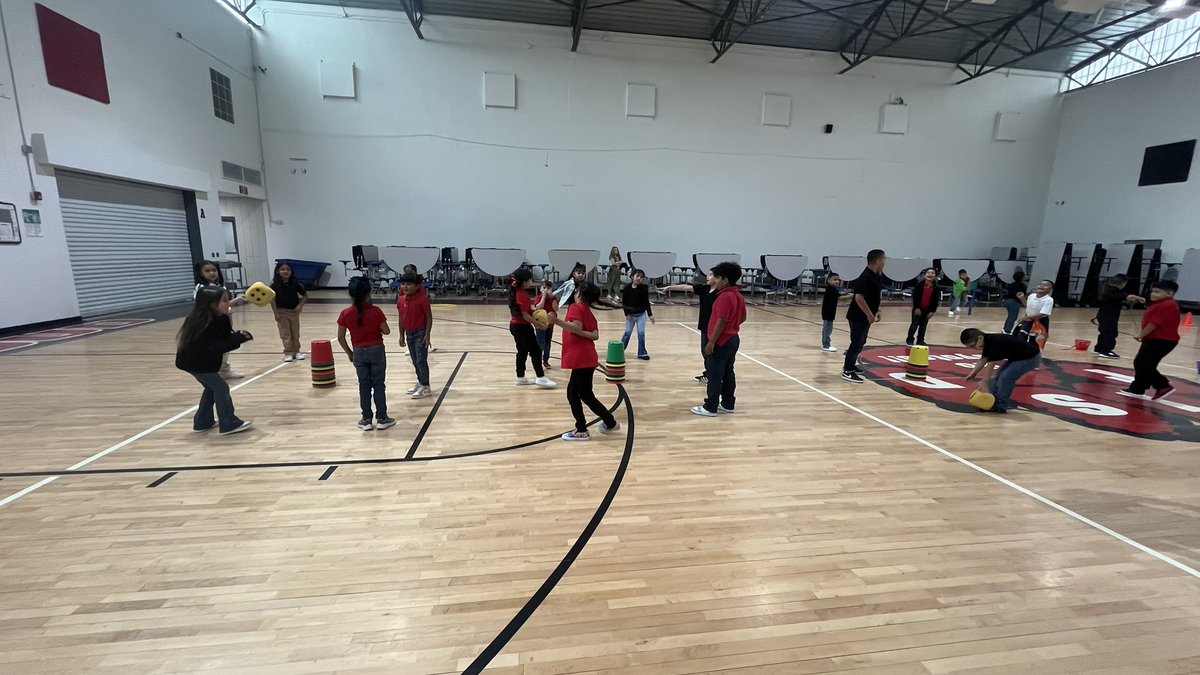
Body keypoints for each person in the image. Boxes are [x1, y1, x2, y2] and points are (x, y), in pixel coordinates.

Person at [174, 286, 254, 435]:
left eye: (228, 299)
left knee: (212, 388)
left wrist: (238, 336)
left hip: (199, 363)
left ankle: (203, 422)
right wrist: (239, 338)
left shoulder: (219, 319)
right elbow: (217, 346)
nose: (228, 303)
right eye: (224, 300)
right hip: (196, 363)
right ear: (210, 304)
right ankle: (228, 423)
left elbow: (224, 339)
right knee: (221, 388)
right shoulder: (203, 323)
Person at [550, 282, 621, 441]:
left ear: (579, 293)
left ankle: (582, 430)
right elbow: (594, 335)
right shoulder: (588, 311)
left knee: (577, 395)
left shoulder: (575, 307)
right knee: (583, 394)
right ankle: (609, 423)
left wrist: (557, 322)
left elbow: (576, 327)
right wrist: (580, 331)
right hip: (587, 358)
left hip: (580, 358)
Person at [337, 277, 396, 431]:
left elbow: (340, 337)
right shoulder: (376, 311)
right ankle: (382, 418)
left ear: (350, 294)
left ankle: (366, 419)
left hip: (358, 352)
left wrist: (349, 353)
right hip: (377, 351)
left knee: (364, 386)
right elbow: (386, 331)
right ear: (369, 294)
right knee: (378, 385)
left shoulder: (345, 313)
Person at [692, 262, 747, 417]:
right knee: (728, 372)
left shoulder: (724, 297)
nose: (715, 280)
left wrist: (711, 342)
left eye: (717, 277)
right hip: (733, 339)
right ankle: (728, 403)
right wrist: (732, 327)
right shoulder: (738, 295)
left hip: (721, 342)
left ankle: (710, 407)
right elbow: (743, 317)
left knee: (714, 374)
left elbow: (721, 321)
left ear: (725, 280)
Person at [1117, 280, 1181, 401]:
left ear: (1170, 293)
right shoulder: (1159, 304)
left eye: (1157, 292)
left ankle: (1163, 385)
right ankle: (1138, 388)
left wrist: (1141, 335)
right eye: (1153, 291)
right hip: (1154, 339)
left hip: (1162, 340)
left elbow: (1155, 323)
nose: (1153, 294)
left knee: (1142, 364)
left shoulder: (1168, 305)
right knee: (1144, 363)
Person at [960, 327, 1042, 414]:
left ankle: (1001, 405)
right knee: (997, 376)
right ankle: (993, 400)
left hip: (1030, 358)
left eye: (973, 345)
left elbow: (991, 365)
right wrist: (973, 373)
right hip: (1018, 358)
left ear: (980, 338)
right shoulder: (987, 341)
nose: (973, 348)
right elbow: (983, 359)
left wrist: (985, 382)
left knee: (1005, 377)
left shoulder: (994, 343)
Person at [194, 260, 248, 379]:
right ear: (201, 273)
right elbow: (210, 306)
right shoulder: (202, 288)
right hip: (211, 322)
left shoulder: (220, 286)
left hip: (224, 319)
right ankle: (214, 371)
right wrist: (235, 301)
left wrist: (233, 304)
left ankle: (224, 370)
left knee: (225, 346)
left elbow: (224, 304)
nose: (212, 273)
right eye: (207, 271)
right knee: (216, 347)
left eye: (214, 270)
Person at [662, 272, 718, 383]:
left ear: (717, 278)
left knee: (713, 353)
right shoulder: (704, 289)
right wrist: (670, 287)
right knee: (705, 351)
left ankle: (714, 376)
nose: (707, 277)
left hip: (715, 328)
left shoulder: (720, 293)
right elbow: (685, 287)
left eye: (711, 275)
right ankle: (709, 374)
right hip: (704, 326)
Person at [842, 249, 886, 384]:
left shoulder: (876, 275)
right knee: (856, 343)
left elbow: (873, 296)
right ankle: (847, 370)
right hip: (858, 316)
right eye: (884, 259)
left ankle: (851, 366)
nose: (885, 262)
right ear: (878, 261)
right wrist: (869, 314)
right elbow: (859, 298)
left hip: (866, 316)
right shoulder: (865, 277)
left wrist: (877, 310)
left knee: (861, 342)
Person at [509, 267, 557, 389]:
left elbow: (528, 310)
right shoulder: (520, 294)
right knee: (536, 351)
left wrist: (537, 313)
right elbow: (524, 315)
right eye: (530, 280)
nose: (531, 282)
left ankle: (520, 377)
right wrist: (538, 324)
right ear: (525, 282)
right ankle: (540, 377)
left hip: (517, 326)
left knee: (522, 351)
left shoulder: (520, 292)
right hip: (521, 327)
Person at [398, 272, 433, 399]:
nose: (405, 287)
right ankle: (420, 382)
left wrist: (427, 334)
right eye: (403, 284)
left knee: (421, 360)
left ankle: (426, 386)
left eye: (409, 284)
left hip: (420, 333)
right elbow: (401, 319)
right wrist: (401, 335)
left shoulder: (422, 299)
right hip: (409, 333)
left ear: (417, 286)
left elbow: (429, 318)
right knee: (414, 359)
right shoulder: (401, 300)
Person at [1093, 274, 1144, 359]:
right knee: (1111, 333)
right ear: (1123, 283)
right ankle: (1106, 351)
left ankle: (1099, 348)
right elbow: (1124, 296)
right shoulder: (1112, 291)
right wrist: (1138, 298)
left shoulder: (1109, 289)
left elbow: (1122, 296)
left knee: (1105, 332)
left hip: (1104, 315)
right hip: (1108, 316)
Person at [270, 261, 308, 362]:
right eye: (282, 269)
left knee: (295, 333)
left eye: (288, 269)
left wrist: (300, 306)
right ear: (277, 271)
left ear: (291, 272)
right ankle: (288, 352)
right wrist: (276, 313)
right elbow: (272, 300)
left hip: (294, 313)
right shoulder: (274, 286)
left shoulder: (295, 284)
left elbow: (305, 296)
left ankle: (297, 351)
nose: (285, 271)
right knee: (285, 333)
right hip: (281, 312)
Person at [619, 268, 655, 361]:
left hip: (641, 315)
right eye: (637, 276)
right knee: (627, 333)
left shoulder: (644, 288)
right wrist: (627, 313)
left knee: (641, 333)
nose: (639, 278)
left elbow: (646, 302)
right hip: (631, 316)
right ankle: (619, 350)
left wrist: (650, 314)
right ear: (632, 277)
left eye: (641, 277)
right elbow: (624, 302)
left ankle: (642, 353)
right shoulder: (627, 288)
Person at [906, 267, 940, 347]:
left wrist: (932, 311)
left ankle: (920, 340)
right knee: (914, 325)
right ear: (924, 275)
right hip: (918, 309)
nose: (930, 274)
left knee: (923, 326)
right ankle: (910, 340)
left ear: (935, 276)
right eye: (928, 273)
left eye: (932, 273)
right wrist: (917, 307)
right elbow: (915, 297)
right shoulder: (919, 285)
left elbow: (936, 301)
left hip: (927, 310)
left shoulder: (936, 288)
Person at [533, 279, 559, 371]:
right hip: (540, 323)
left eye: (548, 288)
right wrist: (543, 297)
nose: (546, 290)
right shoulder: (538, 297)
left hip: (550, 324)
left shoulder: (554, 298)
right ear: (540, 289)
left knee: (548, 343)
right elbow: (539, 307)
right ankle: (537, 360)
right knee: (540, 343)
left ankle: (546, 360)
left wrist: (552, 298)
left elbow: (556, 309)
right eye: (544, 288)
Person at [820, 272, 847, 353]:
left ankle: (826, 343)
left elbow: (839, 296)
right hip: (828, 312)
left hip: (830, 312)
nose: (837, 281)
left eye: (838, 280)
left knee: (828, 328)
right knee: (827, 329)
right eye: (834, 280)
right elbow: (840, 298)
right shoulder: (830, 290)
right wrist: (853, 296)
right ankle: (826, 345)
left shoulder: (833, 290)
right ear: (828, 280)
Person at [1002, 269, 1027, 334]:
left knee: (1010, 316)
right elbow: (1021, 296)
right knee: (1013, 317)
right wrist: (1025, 303)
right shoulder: (1022, 286)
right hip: (1014, 302)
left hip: (1006, 301)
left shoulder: (1011, 284)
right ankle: (1007, 330)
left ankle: (1006, 328)